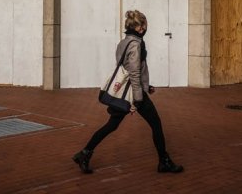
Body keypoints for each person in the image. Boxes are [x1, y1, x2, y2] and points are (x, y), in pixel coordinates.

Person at [72, 9, 184, 174]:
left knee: (112, 125)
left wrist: (146, 86)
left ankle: (85, 153)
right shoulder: (136, 44)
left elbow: (129, 68)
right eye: (145, 24)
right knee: (156, 124)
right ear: (140, 27)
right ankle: (164, 162)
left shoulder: (124, 42)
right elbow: (133, 72)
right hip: (134, 94)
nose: (146, 27)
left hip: (130, 90)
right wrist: (138, 100)